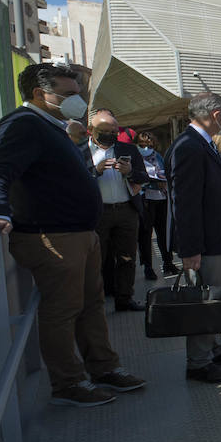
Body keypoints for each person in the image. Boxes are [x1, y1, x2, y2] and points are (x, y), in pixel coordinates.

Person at [0, 62, 147, 406]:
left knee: (91, 305)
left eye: (78, 94)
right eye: (68, 94)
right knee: (63, 310)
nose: (77, 101)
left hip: (79, 235)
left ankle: (103, 367)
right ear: (40, 94)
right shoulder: (22, 125)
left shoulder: (55, 128)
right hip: (52, 237)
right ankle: (68, 382)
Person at [165, 91, 221, 384]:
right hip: (204, 243)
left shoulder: (203, 144)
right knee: (203, 300)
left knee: (212, 297)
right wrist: (190, 249)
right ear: (216, 115)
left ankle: (213, 347)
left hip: (216, 238)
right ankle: (199, 362)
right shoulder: (190, 146)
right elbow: (185, 202)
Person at [85, 108, 149, 310]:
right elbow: (74, 182)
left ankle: (125, 298)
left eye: (114, 130)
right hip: (97, 213)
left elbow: (143, 177)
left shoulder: (128, 150)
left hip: (126, 211)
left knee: (127, 257)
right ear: (91, 129)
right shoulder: (82, 152)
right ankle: (95, 302)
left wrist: (130, 172)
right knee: (96, 259)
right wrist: (95, 171)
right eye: (105, 130)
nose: (111, 134)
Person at [136, 131, 177, 278]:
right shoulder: (136, 158)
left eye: (149, 145)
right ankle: (148, 267)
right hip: (146, 199)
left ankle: (168, 262)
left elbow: (166, 172)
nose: (146, 148)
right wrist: (152, 182)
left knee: (163, 233)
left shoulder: (158, 156)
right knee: (146, 235)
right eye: (142, 145)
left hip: (161, 199)